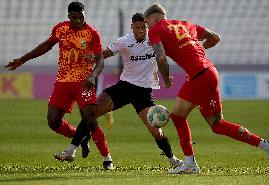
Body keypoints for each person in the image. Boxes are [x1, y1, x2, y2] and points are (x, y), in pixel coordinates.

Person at [144, 3, 269, 174]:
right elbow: (215, 37)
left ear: (154, 18)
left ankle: (268, 146)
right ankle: (190, 163)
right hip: (203, 72)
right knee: (178, 116)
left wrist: (165, 79)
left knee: (217, 124)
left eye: (146, 22)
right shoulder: (186, 24)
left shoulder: (155, 29)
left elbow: (161, 57)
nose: (147, 27)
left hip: (200, 76)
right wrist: (197, 50)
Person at [54, 13, 183, 168]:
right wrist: (93, 57)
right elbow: (106, 53)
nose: (141, 30)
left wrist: (169, 74)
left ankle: (172, 159)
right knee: (91, 113)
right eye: (137, 27)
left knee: (156, 131)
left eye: (143, 27)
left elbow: (169, 54)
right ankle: (71, 150)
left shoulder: (155, 41)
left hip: (143, 93)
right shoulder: (124, 41)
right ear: (132, 27)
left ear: (147, 26)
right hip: (124, 87)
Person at [5, 1, 114, 170]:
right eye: (74, 17)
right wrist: (23, 59)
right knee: (53, 121)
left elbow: (100, 59)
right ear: (69, 16)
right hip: (63, 81)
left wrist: (93, 76)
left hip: (84, 81)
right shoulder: (60, 29)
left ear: (84, 14)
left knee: (90, 119)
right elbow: (46, 46)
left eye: (81, 17)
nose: (78, 21)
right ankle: (81, 138)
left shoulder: (92, 33)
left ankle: (107, 159)